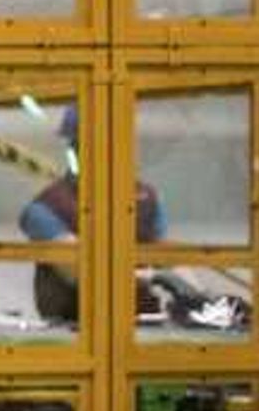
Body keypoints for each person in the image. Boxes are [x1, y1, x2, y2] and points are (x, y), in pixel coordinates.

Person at [19, 104, 160, 328]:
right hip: (75, 329)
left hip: (144, 328)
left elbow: (168, 257)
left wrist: (199, 297)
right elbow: (82, 271)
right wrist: (153, 278)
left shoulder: (145, 197)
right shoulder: (45, 208)